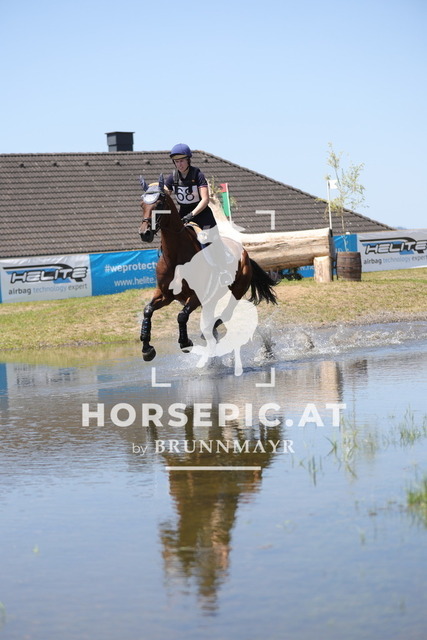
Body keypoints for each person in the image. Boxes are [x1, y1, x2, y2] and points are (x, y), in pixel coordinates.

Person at [165, 143, 217, 234]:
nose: (179, 165)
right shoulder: (172, 177)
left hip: (202, 214)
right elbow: (164, 195)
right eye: (176, 162)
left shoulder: (198, 175)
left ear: (188, 160)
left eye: (182, 161)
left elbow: (205, 200)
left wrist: (191, 215)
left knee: (210, 239)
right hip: (183, 213)